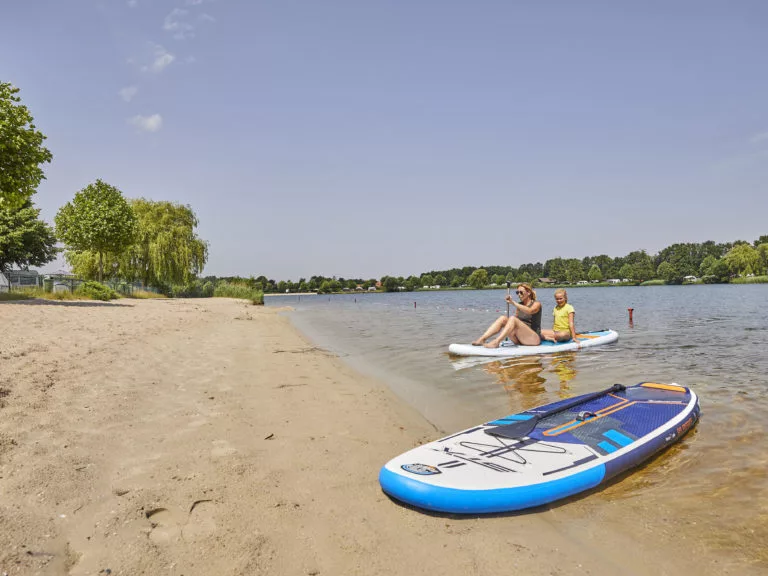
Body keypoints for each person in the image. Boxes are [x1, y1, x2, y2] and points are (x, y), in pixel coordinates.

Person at [472, 283, 542, 348]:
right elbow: (516, 322)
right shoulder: (519, 305)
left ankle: (496, 342)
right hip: (519, 339)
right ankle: (482, 339)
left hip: (533, 339)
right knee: (503, 318)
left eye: (521, 292)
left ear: (529, 293)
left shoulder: (537, 304)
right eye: (517, 292)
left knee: (513, 318)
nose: (519, 295)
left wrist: (513, 302)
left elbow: (530, 311)